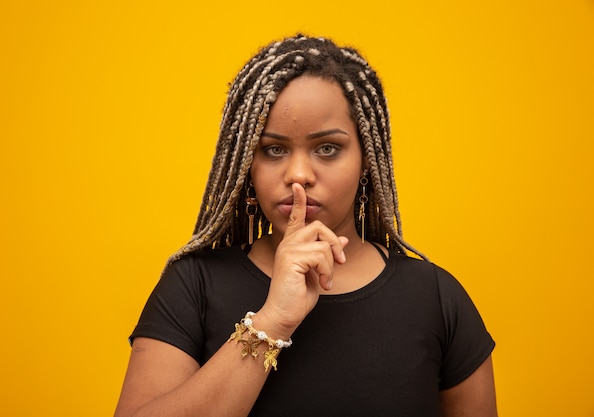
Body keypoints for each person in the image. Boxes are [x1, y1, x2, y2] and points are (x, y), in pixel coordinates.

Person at [114, 35, 497, 417]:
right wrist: (273, 320)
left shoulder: (435, 298)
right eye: (274, 149)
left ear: (366, 160)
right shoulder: (194, 285)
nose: (298, 175)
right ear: (247, 164)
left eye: (327, 148)